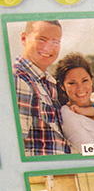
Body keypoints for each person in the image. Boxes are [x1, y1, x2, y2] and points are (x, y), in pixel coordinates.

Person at [13, 20, 70, 156]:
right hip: (42, 174)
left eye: (55, 42)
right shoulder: (18, 79)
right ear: (24, 38)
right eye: (41, 39)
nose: (48, 48)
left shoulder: (48, 82)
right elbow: (15, 145)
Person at [54, 53, 94, 151]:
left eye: (84, 80)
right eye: (72, 83)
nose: (80, 88)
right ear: (62, 86)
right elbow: (88, 149)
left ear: (91, 80)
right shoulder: (66, 113)